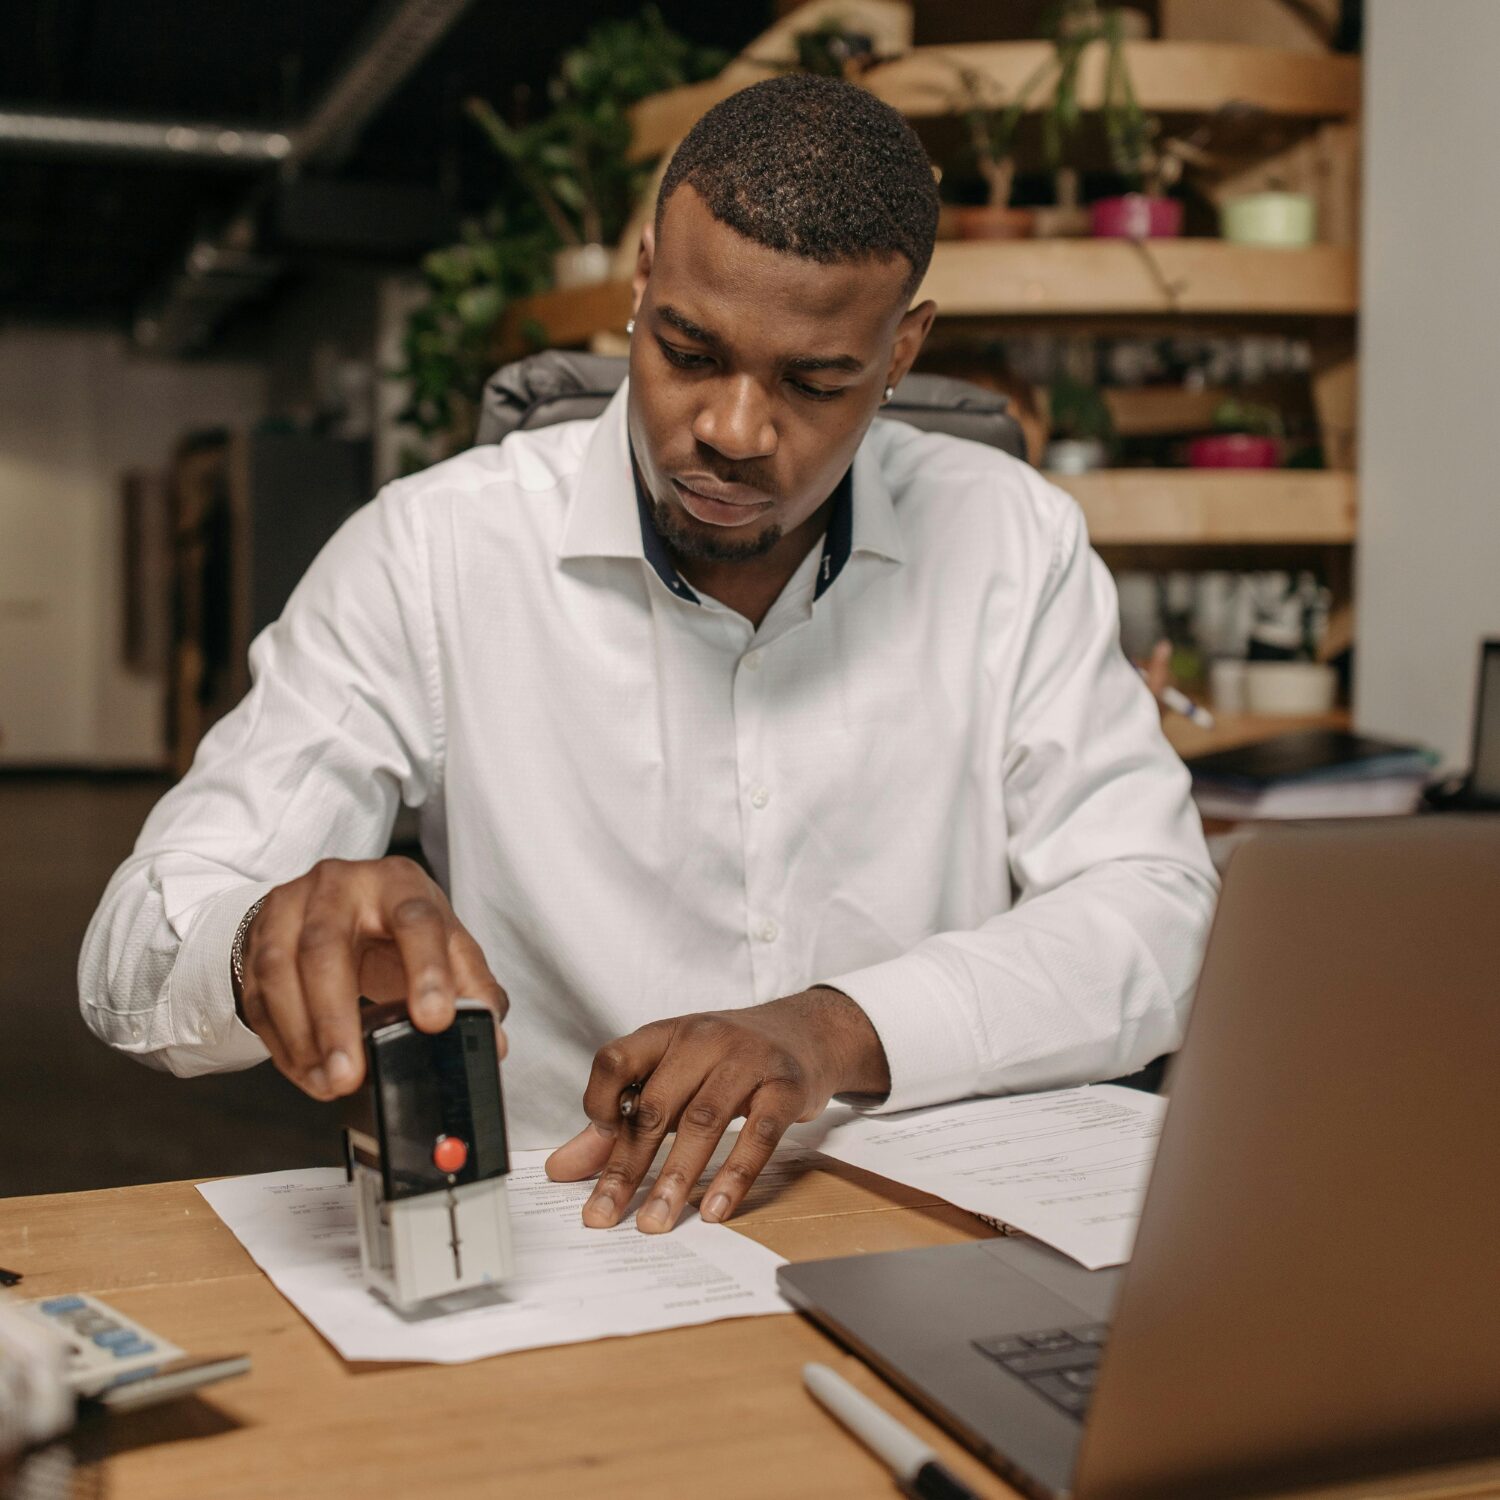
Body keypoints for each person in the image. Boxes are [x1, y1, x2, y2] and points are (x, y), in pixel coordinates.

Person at [79, 75, 1217, 1236]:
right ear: (641, 285)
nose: (731, 429)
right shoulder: (433, 552)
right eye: (688, 350)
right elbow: (134, 942)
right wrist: (262, 937)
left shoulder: (1015, 540)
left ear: (901, 349)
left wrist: (829, 1032)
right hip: (581, 1238)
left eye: (813, 381)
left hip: (925, 1227)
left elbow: (1157, 914)